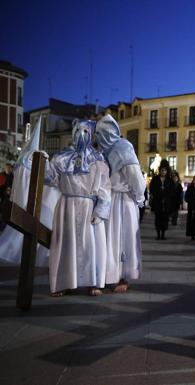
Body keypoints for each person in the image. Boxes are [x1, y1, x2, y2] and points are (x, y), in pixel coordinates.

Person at [45, 119, 111, 297]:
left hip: (89, 206)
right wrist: (40, 164)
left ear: (91, 134)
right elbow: (51, 179)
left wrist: (101, 211)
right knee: (65, 244)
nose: (81, 134)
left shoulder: (98, 160)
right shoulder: (60, 157)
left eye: (85, 131)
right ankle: (63, 282)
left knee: (91, 245)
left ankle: (94, 282)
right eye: (77, 130)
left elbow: (105, 189)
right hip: (66, 206)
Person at [94, 114, 146, 292]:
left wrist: (139, 197)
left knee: (123, 237)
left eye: (100, 134)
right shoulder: (104, 152)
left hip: (124, 200)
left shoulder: (123, 148)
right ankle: (112, 275)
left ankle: (123, 276)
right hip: (111, 198)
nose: (98, 139)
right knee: (111, 238)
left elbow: (136, 177)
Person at [0, 118, 61, 266]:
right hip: (36, 201)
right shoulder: (36, 159)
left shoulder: (23, 161)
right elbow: (50, 178)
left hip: (27, 199)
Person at [149, 160, 175, 240]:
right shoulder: (155, 179)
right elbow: (152, 189)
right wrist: (157, 195)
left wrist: (167, 197)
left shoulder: (169, 180)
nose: (163, 172)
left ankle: (163, 234)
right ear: (160, 170)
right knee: (158, 219)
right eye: (162, 170)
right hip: (157, 202)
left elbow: (172, 191)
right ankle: (158, 234)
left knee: (165, 219)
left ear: (167, 171)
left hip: (166, 203)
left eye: (165, 170)